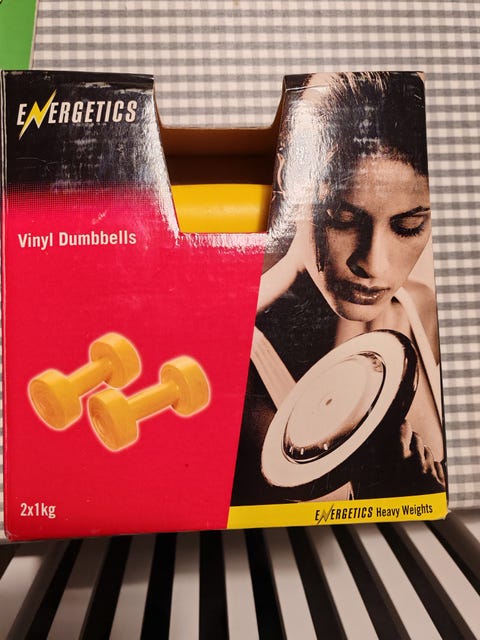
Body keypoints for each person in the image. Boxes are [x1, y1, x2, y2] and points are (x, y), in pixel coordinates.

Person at [231, 72, 446, 504]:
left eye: (409, 226)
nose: (373, 264)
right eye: (343, 219)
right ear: (291, 177)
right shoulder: (235, 357)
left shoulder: (422, 310)